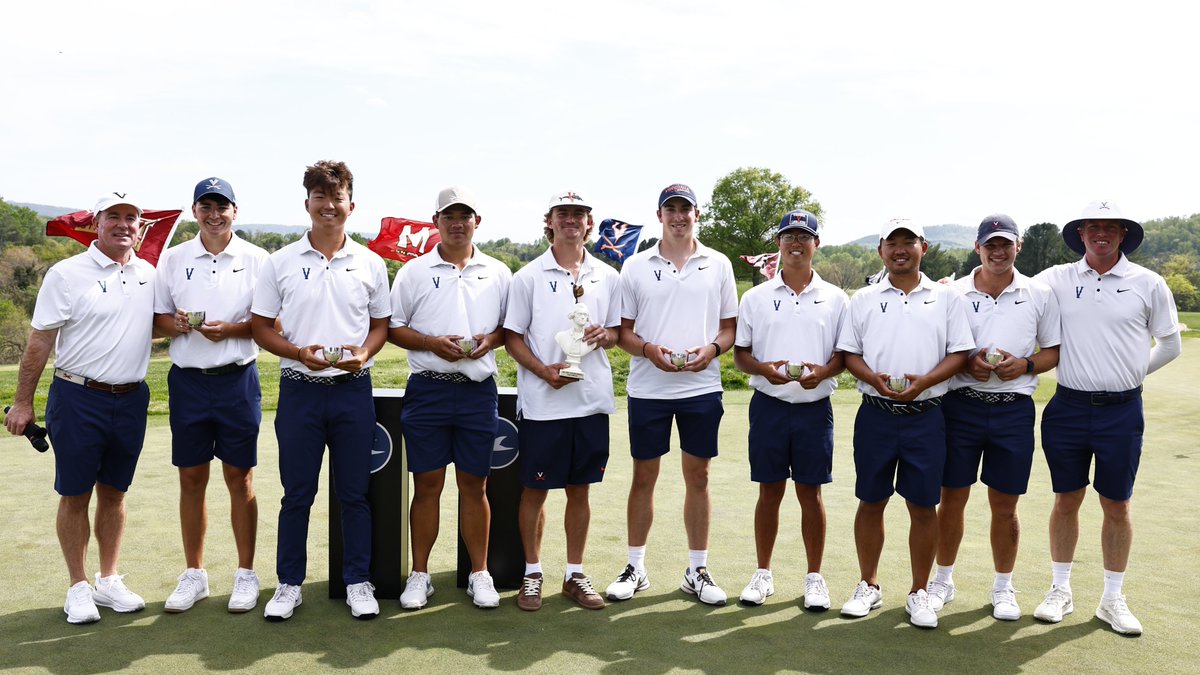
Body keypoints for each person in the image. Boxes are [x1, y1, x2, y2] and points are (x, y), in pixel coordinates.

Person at [1031, 201, 1181, 635]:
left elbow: (1170, 345)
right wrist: (952, 284)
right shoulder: (1057, 279)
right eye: (1092, 227)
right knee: (1067, 499)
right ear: (1081, 234)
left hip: (1122, 411)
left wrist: (1132, 374)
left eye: (1110, 227)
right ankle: (1061, 590)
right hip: (1068, 407)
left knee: (1116, 503)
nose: (1101, 233)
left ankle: (1112, 598)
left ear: (1122, 235)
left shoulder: (1148, 283)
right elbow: (1008, 282)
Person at [250, 161, 390, 621]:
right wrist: (295, 351)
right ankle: (289, 584)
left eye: (338, 198)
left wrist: (365, 354)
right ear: (306, 202)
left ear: (352, 203)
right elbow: (260, 327)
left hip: (352, 389)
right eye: (319, 197)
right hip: (299, 389)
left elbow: (380, 325)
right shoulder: (281, 261)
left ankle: (358, 581)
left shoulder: (370, 262)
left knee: (354, 493)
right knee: (297, 494)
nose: (329, 206)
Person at [5, 193, 155, 624]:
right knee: (75, 494)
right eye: (114, 217)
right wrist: (22, 401)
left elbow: (156, 323)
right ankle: (77, 587)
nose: (124, 225)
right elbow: (39, 340)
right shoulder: (66, 274)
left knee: (115, 492)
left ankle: (108, 580)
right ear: (96, 223)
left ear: (140, 227)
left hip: (131, 397)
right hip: (78, 396)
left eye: (132, 218)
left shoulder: (149, 273)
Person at [836, 218, 974, 629]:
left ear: (923, 248)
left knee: (923, 505)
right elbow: (849, 354)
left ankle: (919, 592)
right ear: (881, 250)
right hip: (876, 414)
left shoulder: (946, 299)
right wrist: (873, 378)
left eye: (908, 242)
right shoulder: (862, 298)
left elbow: (960, 353)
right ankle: (868, 585)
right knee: (871, 500)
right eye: (892, 243)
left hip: (927, 415)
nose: (900, 249)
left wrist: (927, 382)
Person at [605, 183, 738, 607]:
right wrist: (648, 350)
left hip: (701, 386)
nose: (678, 216)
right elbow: (623, 332)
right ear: (660, 214)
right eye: (671, 209)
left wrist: (712, 350)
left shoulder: (717, 263)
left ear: (697, 214)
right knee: (644, 476)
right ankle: (635, 567)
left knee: (697, 478)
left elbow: (729, 327)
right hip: (649, 388)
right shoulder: (636, 265)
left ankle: (697, 569)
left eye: (686, 209)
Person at [928, 214, 1060, 621]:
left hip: (1013, 410)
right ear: (977, 248)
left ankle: (1003, 587)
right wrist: (967, 361)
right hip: (961, 406)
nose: (998, 252)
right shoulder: (951, 293)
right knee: (952, 499)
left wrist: (1025, 365)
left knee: (1005, 505)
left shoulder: (1038, 292)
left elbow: (1053, 350)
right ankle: (942, 581)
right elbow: (941, 346)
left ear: (1017, 246)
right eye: (990, 245)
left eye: (1005, 244)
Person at [389, 185, 512, 610]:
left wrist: (488, 340)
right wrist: (429, 342)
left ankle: (480, 573)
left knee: (474, 485)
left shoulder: (497, 271)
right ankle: (420, 575)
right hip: (429, 390)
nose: (457, 224)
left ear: (478, 221)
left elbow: (506, 329)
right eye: (449, 216)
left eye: (465, 216)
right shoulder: (414, 271)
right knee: (427, 485)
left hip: (478, 391)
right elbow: (394, 327)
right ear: (436, 221)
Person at [153, 177, 269, 613]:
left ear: (235, 212)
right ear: (195, 210)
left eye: (223, 206)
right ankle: (195, 574)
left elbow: (269, 321)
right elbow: (158, 319)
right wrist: (177, 325)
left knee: (240, 478)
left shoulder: (258, 259)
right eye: (206, 206)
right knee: (191, 478)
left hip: (238, 380)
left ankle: (245, 574)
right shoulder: (173, 259)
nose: (214, 214)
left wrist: (233, 330)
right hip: (188, 381)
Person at [503, 191, 621, 611]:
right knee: (535, 491)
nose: (571, 220)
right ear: (549, 221)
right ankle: (532, 573)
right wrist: (543, 371)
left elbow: (618, 332)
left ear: (590, 223)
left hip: (589, 401)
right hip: (543, 401)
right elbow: (511, 337)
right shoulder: (529, 276)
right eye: (563, 213)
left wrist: (605, 336)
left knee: (580, 490)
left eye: (579, 214)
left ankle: (574, 574)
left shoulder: (608, 276)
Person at [732, 209, 848, 610]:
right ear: (779, 244)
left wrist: (824, 372)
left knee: (810, 494)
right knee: (769, 492)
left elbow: (843, 356)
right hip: (769, 405)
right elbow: (742, 356)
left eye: (804, 236)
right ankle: (763, 574)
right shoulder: (756, 297)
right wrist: (766, 370)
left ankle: (814, 578)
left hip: (815, 407)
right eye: (788, 236)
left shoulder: (835, 298)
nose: (796, 243)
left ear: (816, 244)